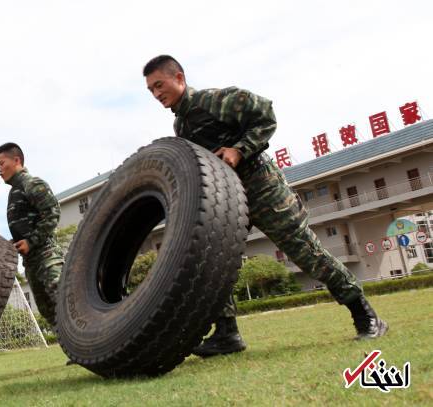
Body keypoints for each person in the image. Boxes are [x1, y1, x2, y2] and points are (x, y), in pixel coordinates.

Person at [142, 55, 388, 357]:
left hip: (262, 188)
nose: (156, 94)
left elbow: (265, 114)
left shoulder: (215, 101)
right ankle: (227, 334)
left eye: (159, 85)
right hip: (228, 199)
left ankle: (366, 315)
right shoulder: (182, 124)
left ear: (178, 77)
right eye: (151, 90)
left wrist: (239, 150)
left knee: (305, 251)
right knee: (212, 262)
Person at [0, 142, 64, 326]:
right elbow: (25, 227)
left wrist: (31, 242)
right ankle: (76, 354)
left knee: (65, 303)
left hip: (47, 257)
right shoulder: (14, 192)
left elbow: (52, 213)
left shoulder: (32, 183)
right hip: (31, 262)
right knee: (49, 311)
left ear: (16, 160)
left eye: (2, 164)